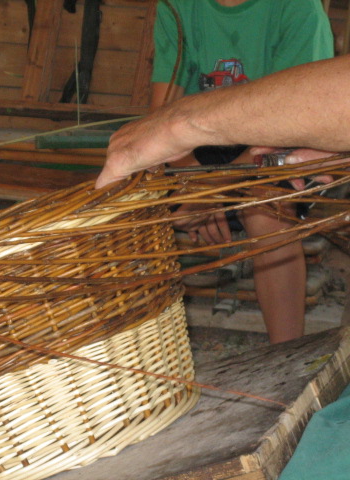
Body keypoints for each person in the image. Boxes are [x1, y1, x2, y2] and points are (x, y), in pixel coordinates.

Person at [143, 0, 334, 343]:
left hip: (286, 145)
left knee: (267, 211)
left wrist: (210, 192)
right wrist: (193, 184)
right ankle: (144, 353)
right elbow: (162, 121)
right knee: (134, 209)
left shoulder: (299, 8)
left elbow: (292, 125)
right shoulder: (177, 7)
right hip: (206, 144)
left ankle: (286, 355)